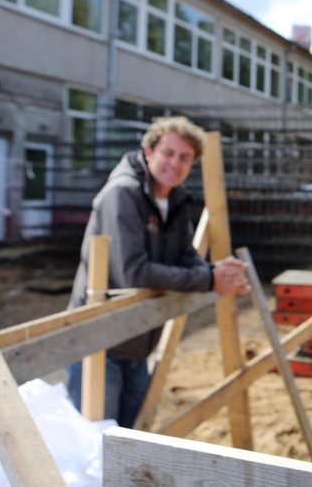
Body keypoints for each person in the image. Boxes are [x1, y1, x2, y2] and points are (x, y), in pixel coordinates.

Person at [66, 116, 250, 427]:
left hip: (138, 342)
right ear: (148, 152)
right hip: (101, 345)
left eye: (184, 157)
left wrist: (217, 270)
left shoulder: (176, 199)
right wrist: (209, 279)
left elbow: (184, 257)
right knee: (94, 448)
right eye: (168, 153)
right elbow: (132, 273)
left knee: (128, 444)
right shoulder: (121, 195)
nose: (175, 163)